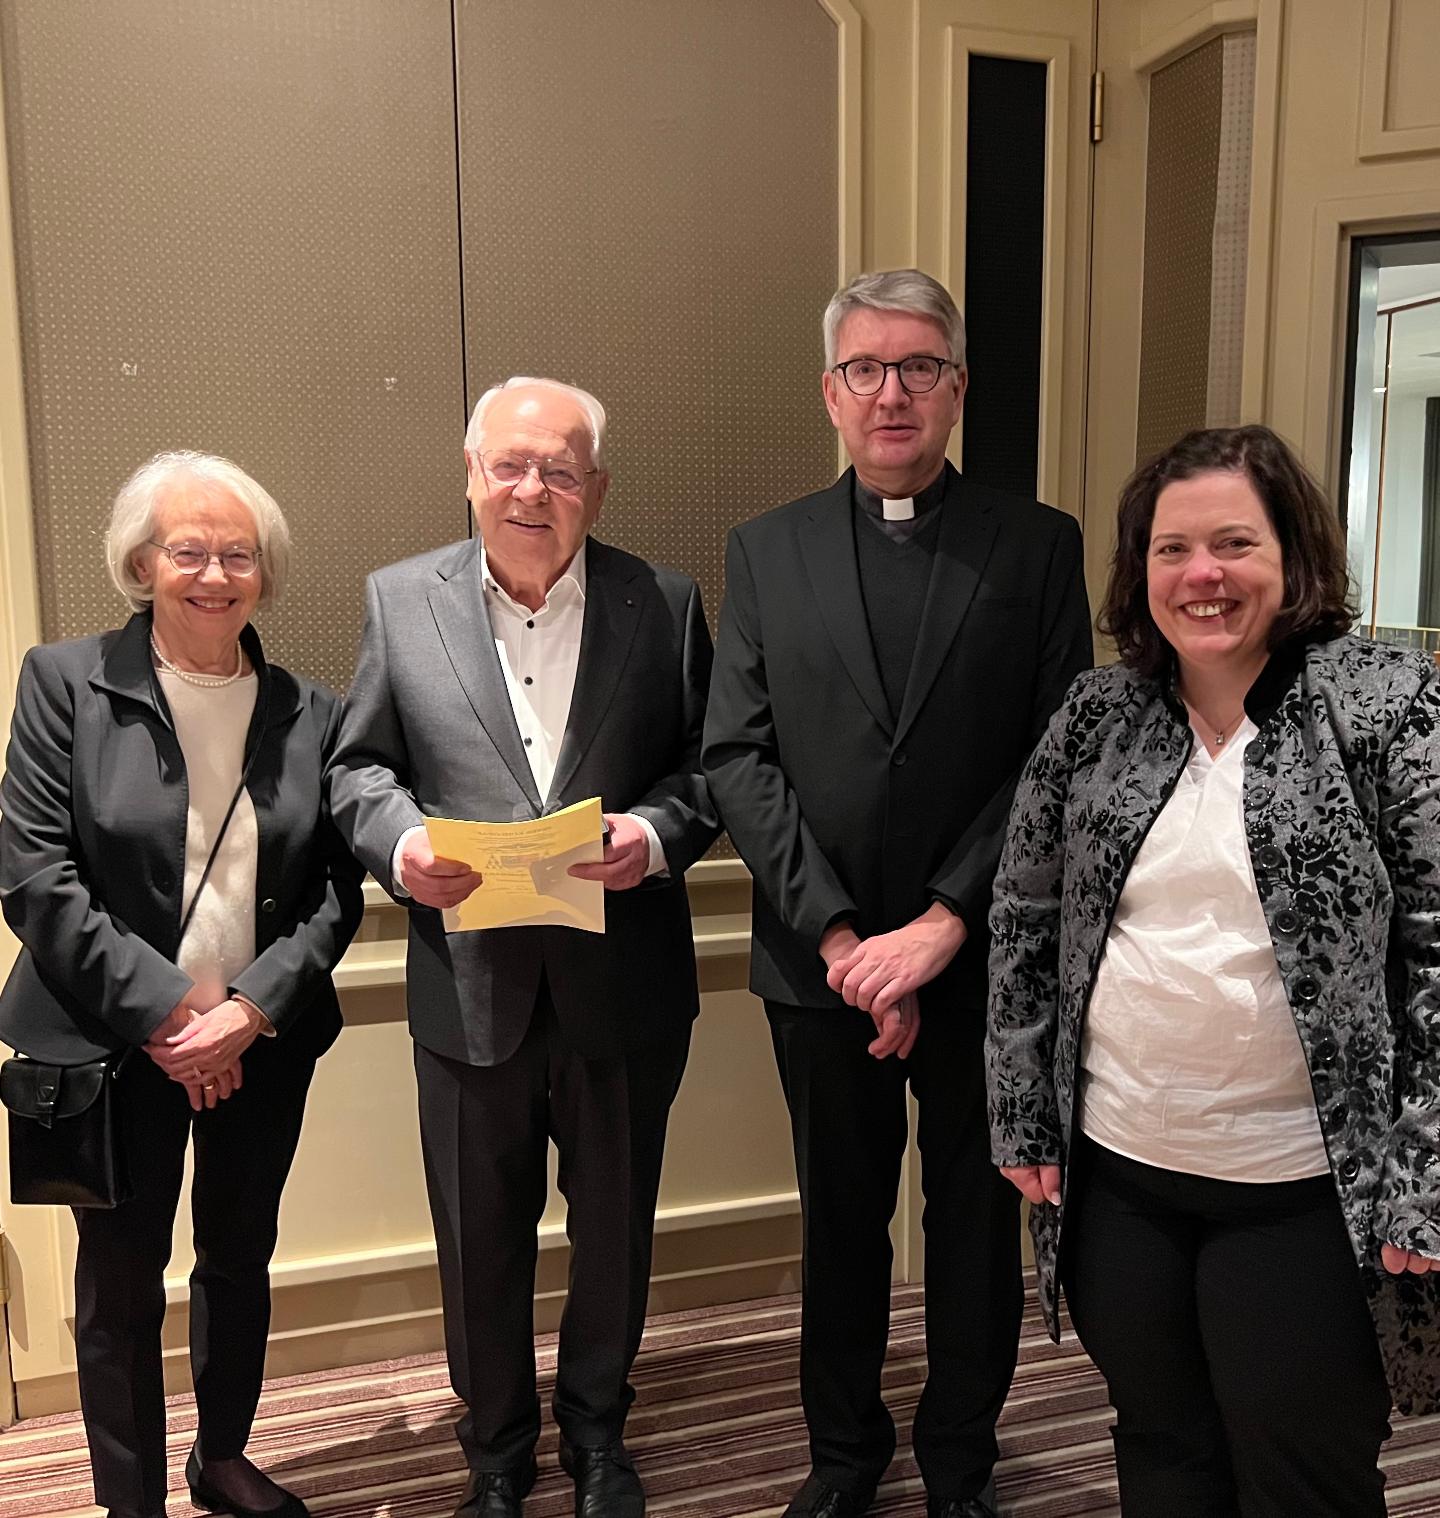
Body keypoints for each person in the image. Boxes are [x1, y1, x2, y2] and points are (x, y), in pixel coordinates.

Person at [986, 423, 1440, 1517]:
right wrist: (1020, 1113)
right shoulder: (1098, 715)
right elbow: (1024, 918)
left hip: (1303, 1196)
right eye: (1171, 548)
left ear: (1293, 558)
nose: (1202, 575)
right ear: (1139, 570)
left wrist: (1425, 1172)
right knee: (1163, 1453)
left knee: (1302, 1476)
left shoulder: (1385, 702)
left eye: (1234, 543)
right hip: (1123, 1180)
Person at [701, 269, 1091, 1518]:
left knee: (973, 1231)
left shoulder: (1037, 544)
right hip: (821, 964)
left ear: (958, 388)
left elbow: (1057, 757)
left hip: (981, 960)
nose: (892, 392)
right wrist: (841, 934)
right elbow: (737, 756)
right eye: (865, 369)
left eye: (920, 367)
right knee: (844, 1225)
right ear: (830, 392)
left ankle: (961, 1467)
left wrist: (939, 925)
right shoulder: (764, 549)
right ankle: (842, 1455)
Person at [327, 376, 717, 1518]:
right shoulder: (401, 602)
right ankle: (494, 1449)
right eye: (509, 465)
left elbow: (710, 769)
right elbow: (358, 770)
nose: (531, 489)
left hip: (624, 981)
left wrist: (651, 835)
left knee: (614, 1234)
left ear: (596, 488)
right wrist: (400, 853)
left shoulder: (667, 601)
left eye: (557, 469)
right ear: (470, 476)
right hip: (470, 984)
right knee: (477, 1238)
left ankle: (599, 1435)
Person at [0, 452, 364, 1518]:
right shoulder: (66, 682)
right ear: (142, 563)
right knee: (119, 1288)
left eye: (237, 553)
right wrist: (170, 1014)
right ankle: (132, 1500)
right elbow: (33, 871)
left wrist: (246, 1015)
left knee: (239, 1255)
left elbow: (336, 891)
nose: (214, 573)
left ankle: (225, 1455)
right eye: (187, 550)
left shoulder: (312, 711)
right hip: (111, 1044)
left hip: (262, 1041)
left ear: (266, 571)